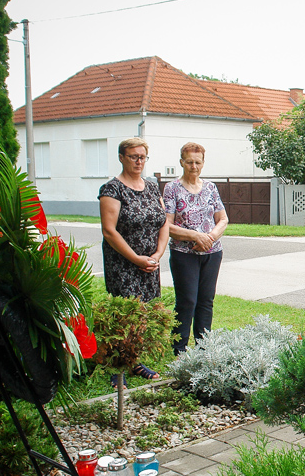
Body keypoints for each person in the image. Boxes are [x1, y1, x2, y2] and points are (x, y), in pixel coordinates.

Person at [98, 137, 168, 387]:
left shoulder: (151, 187)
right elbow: (109, 231)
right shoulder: (112, 189)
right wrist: (136, 258)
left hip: (149, 263)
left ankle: (135, 360)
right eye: (133, 157)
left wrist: (157, 255)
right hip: (124, 263)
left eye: (143, 157)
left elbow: (163, 223)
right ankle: (117, 368)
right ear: (121, 157)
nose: (139, 161)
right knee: (125, 315)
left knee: (145, 313)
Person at [164, 143, 229, 355]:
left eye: (197, 162)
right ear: (181, 162)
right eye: (189, 161)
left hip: (212, 252)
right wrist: (195, 236)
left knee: (206, 301)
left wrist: (210, 237)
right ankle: (179, 350)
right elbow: (168, 225)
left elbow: (223, 219)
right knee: (187, 301)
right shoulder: (172, 188)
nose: (193, 166)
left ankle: (203, 349)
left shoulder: (210, 187)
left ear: (203, 163)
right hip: (184, 254)